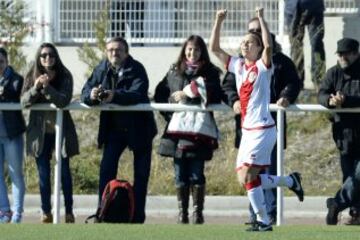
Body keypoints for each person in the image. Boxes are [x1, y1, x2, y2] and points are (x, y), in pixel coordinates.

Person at [210, 8, 304, 231]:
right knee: (244, 179)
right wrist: (218, 21)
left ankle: (263, 222)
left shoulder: (263, 66)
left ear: (260, 47)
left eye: (251, 43)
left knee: (249, 176)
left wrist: (261, 18)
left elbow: (269, 46)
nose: (245, 45)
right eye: (243, 42)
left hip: (263, 128)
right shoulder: (238, 66)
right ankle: (290, 181)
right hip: (248, 131)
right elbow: (214, 48)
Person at [81, 37, 157, 224]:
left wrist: (114, 96)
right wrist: (92, 96)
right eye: (111, 50)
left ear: (126, 52)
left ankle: (137, 218)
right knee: (106, 172)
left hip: (140, 129)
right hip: (114, 130)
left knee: (141, 176)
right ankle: (103, 214)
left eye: (119, 50)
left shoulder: (137, 68)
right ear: (106, 52)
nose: (114, 53)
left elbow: (138, 93)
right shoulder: (101, 68)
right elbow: (85, 92)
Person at [154, 35, 222, 224]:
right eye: (189, 49)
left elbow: (216, 93)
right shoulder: (174, 71)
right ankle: (182, 215)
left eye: (197, 50)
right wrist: (171, 111)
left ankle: (197, 214)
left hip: (199, 132)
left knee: (196, 173)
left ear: (203, 52)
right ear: (184, 50)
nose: (193, 53)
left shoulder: (210, 72)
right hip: (176, 133)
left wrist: (189, 92)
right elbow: (160, 94)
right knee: (179, 174)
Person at [21, 43, 79, 224]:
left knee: (64, 173)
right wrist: (36, 87)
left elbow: (63, 100)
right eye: (44, 55)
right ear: (39, 57)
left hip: (61, 132)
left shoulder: (65, 75)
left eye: (51, 55)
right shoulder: (31, 74)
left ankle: (69, 212)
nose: (48, 58)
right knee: (44, 174)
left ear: (56, 56)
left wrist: (47, 88)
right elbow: (24, 101)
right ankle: (46, 212)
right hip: (40, 133)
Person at [318, 38, 360, 225]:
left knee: (358, 176)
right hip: (343, 135)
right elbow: (321, 94)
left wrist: (346, 100)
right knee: (350, 178)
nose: (342, 57)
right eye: (340, 54)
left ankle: (336, 203)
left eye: (345, 53)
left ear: (355, 53)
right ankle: (355, 213)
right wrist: (330, 101)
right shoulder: (333, 73)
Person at [0, 47, 26, 223]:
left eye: (0, 62)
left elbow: (16, 94)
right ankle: (4, 211)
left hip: (12, 134)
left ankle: (17, 212)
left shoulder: (16, 79)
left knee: (15, 173)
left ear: (6, 62)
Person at [285, 0, 326, 90]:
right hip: (292, 8)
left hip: (315, 7)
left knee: (316, 44)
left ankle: (319, 80)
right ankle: (297, 82)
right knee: (295, 46)